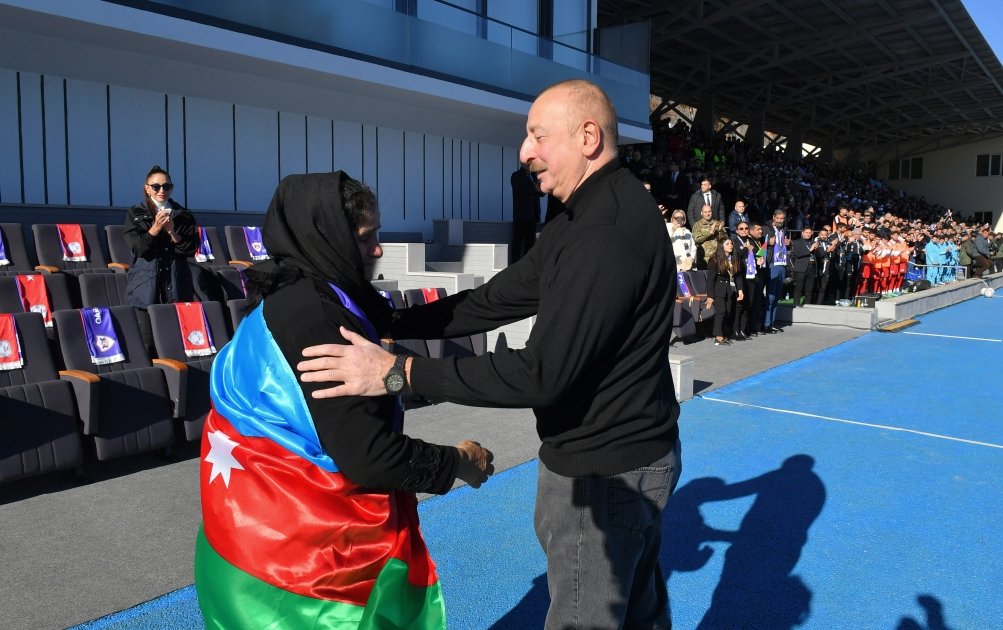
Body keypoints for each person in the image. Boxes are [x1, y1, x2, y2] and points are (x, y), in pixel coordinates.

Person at [297, 79, 682, 629]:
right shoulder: (580, 214)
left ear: (589, 137)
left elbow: (542, 375)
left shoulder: (606, 232)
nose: (524, 151)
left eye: (537, 136)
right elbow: (497, 298)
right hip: (627, 459)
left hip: (606, 474)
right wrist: (393, 321)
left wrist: (401, 374)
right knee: (640, 616)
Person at [194, 172, 494, 629]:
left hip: (256, 532)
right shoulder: (319, 320)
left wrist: (410, 379)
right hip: (300, 570)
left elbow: (379, 370)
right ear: (327, 236)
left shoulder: (307, 291)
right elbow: (367, 455)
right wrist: (457, 462)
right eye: (366, 237)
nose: (378, 249)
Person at [123, 166, 199, 352]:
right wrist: (155, 228)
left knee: (175, 343)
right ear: (147, 188)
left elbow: (190, 249)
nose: (161, 191)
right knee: (148, 345)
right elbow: (139, 248)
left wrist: (172, 231)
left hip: (176, 285)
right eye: (156, 187)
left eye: (167, 186)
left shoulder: (184, 214)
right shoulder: (135, 213)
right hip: (145, 289)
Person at [704, 237, 745, 346]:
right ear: (721, 246)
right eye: (727, 244)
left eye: (731, 244)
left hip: (729, 290)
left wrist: (740, 290)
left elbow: (738, 276)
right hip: (719, 289)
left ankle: (722, 332)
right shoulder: (715, 260)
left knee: (727, 312)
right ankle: (718, 337)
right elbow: (710, 280)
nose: (731, 245)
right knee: (721, 312)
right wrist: (710, 296)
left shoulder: (734, 259)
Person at [762, 210, 790, 333]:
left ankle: (772, 323)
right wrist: (768, 242)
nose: (780, 220)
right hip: (772, 264)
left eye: (782, 218)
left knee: (777, 296)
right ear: (773, 217)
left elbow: (783, 245)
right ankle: (765, 324)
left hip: (782, 265)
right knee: (770, 296)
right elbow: (758, 241)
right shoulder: (766, 228)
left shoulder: (784, 230)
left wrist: (789, 243)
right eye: (778, 218)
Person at [510, 164, 544, 264]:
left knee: (530, 242)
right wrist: (536, 188)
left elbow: (542, 192)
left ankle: (527, 264)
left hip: (533, 216)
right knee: (518, 242)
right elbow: (522, 190)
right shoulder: (516, 176)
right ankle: (515, 264)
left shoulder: (534, 176)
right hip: (521, 216)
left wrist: (537, 188)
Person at [790, 226, 817, 307]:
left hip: (811, 268)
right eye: (806, 232)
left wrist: (817, 249)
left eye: (810, 233)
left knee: (809, 289)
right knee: (799, 288)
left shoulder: (812, 242)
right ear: (802, 233)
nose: (808, 234)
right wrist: (810, 250)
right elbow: (798, 254)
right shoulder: (797, 242)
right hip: (801, 268)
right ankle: (796, 305)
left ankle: (808, 305)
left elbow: (817, 255)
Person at [692, 204, 725, 270]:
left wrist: (720, 230)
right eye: (705, 212)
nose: (708, 214)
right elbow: (697, 239)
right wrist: (709, 233)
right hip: (705, 259)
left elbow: (725, 239)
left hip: (718, 257)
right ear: (701, 213)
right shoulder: (698, 225)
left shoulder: (717, 223)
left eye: (709, 211)